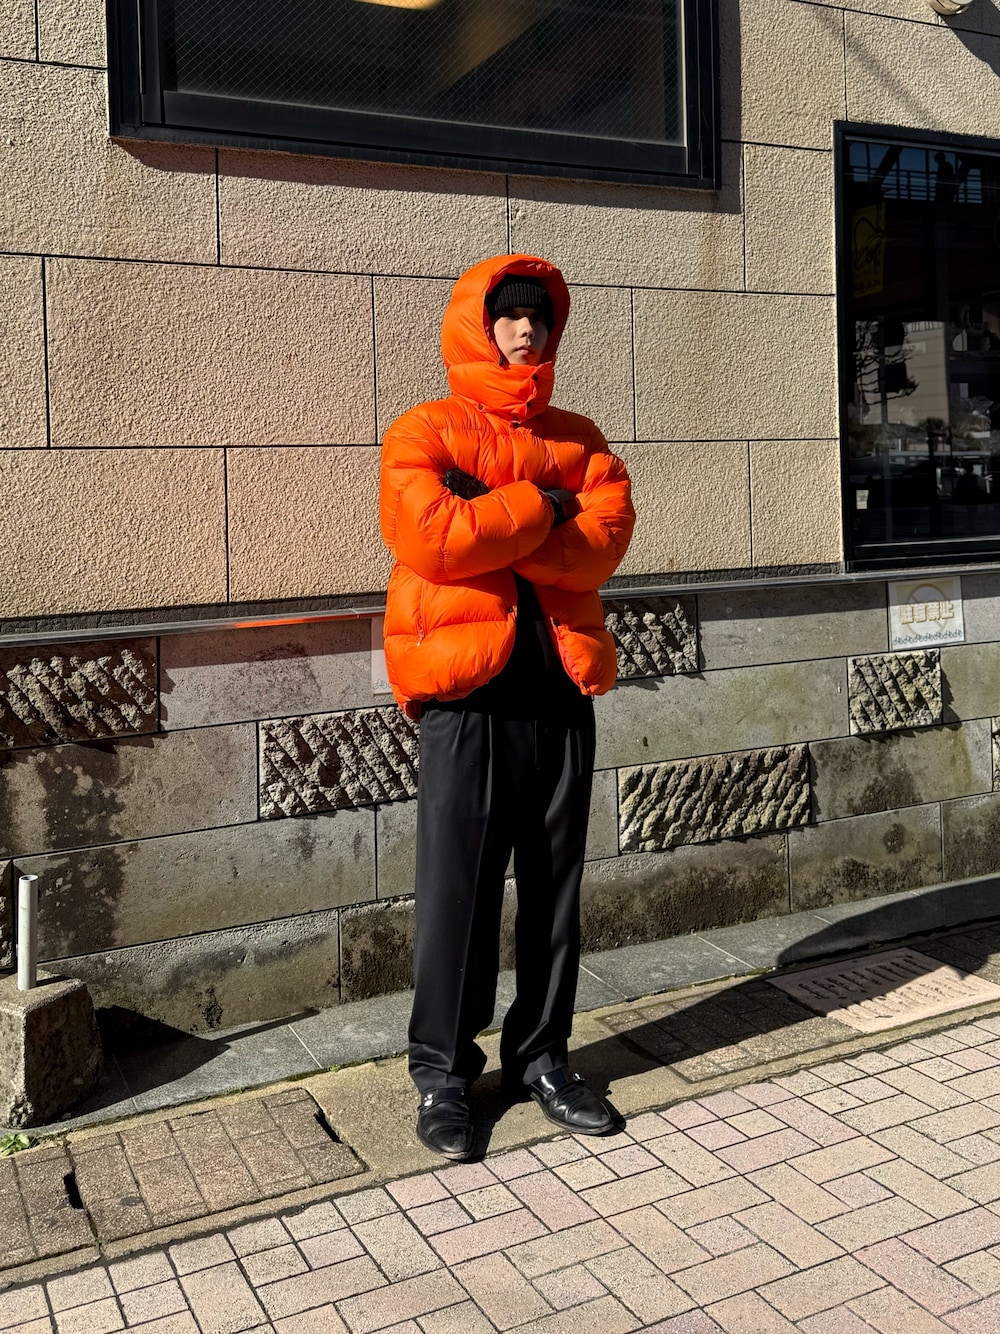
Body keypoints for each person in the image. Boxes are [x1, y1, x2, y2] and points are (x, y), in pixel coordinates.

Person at [379, 254, 635, 1160]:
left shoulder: (583, 438)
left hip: (561, 688)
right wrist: (543, 505)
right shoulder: (424, 429)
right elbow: (434, 537)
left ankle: (542, 1059)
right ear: (477, 326)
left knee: (556, 892)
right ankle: (443, 1075)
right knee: (459, 891)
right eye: (510, 315)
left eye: (541, 317)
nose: (528, 329)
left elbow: (600, 546)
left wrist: (494, 512)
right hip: (466, 698)